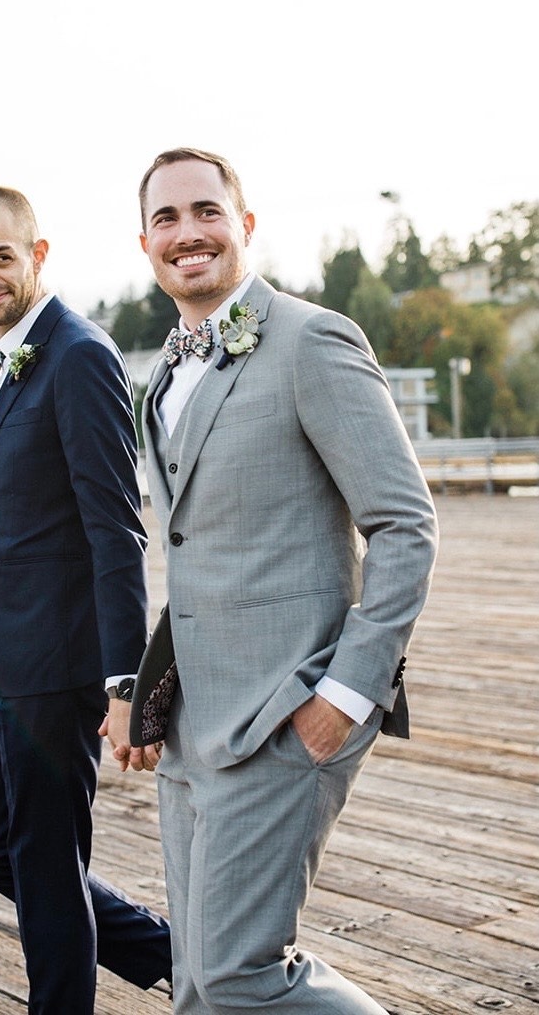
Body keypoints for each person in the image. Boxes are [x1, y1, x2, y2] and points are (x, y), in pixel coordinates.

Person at [121, 148, 439, 1013]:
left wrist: (346, 694)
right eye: (166, 219)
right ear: (145, 241)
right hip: (191, 729)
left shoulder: (311, 339)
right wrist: (146, 698)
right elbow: (191, 555)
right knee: (194, 980)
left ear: (244, 224)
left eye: (206, 211)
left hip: (285, 714)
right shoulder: (161, 380)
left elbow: (405, 527)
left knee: (237, 975)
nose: (188, 233)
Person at [0, 186, 171, 1014]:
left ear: (39, 255)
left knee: (42, 869)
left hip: (55, 661)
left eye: (1, 258)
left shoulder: (76, 354)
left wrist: (125, 685)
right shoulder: (13, 349)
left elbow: (117, 529)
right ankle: (176, 954)